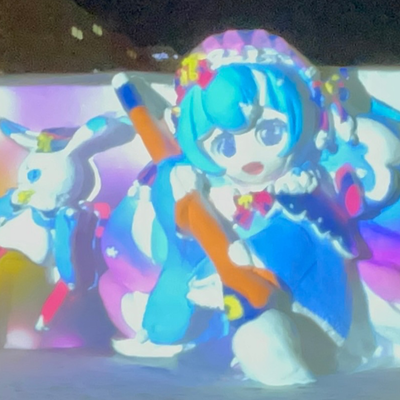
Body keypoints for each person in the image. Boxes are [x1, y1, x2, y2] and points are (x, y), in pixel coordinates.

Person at [111, 30, 376, 385]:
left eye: (270, 133)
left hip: (312, 318)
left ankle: (274, 358)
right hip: (235, 319)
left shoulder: (301, 194)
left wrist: (239, 263)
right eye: (224, 144)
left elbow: (298, 249)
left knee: (260, 339)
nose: (248, 155)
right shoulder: (214, 192)